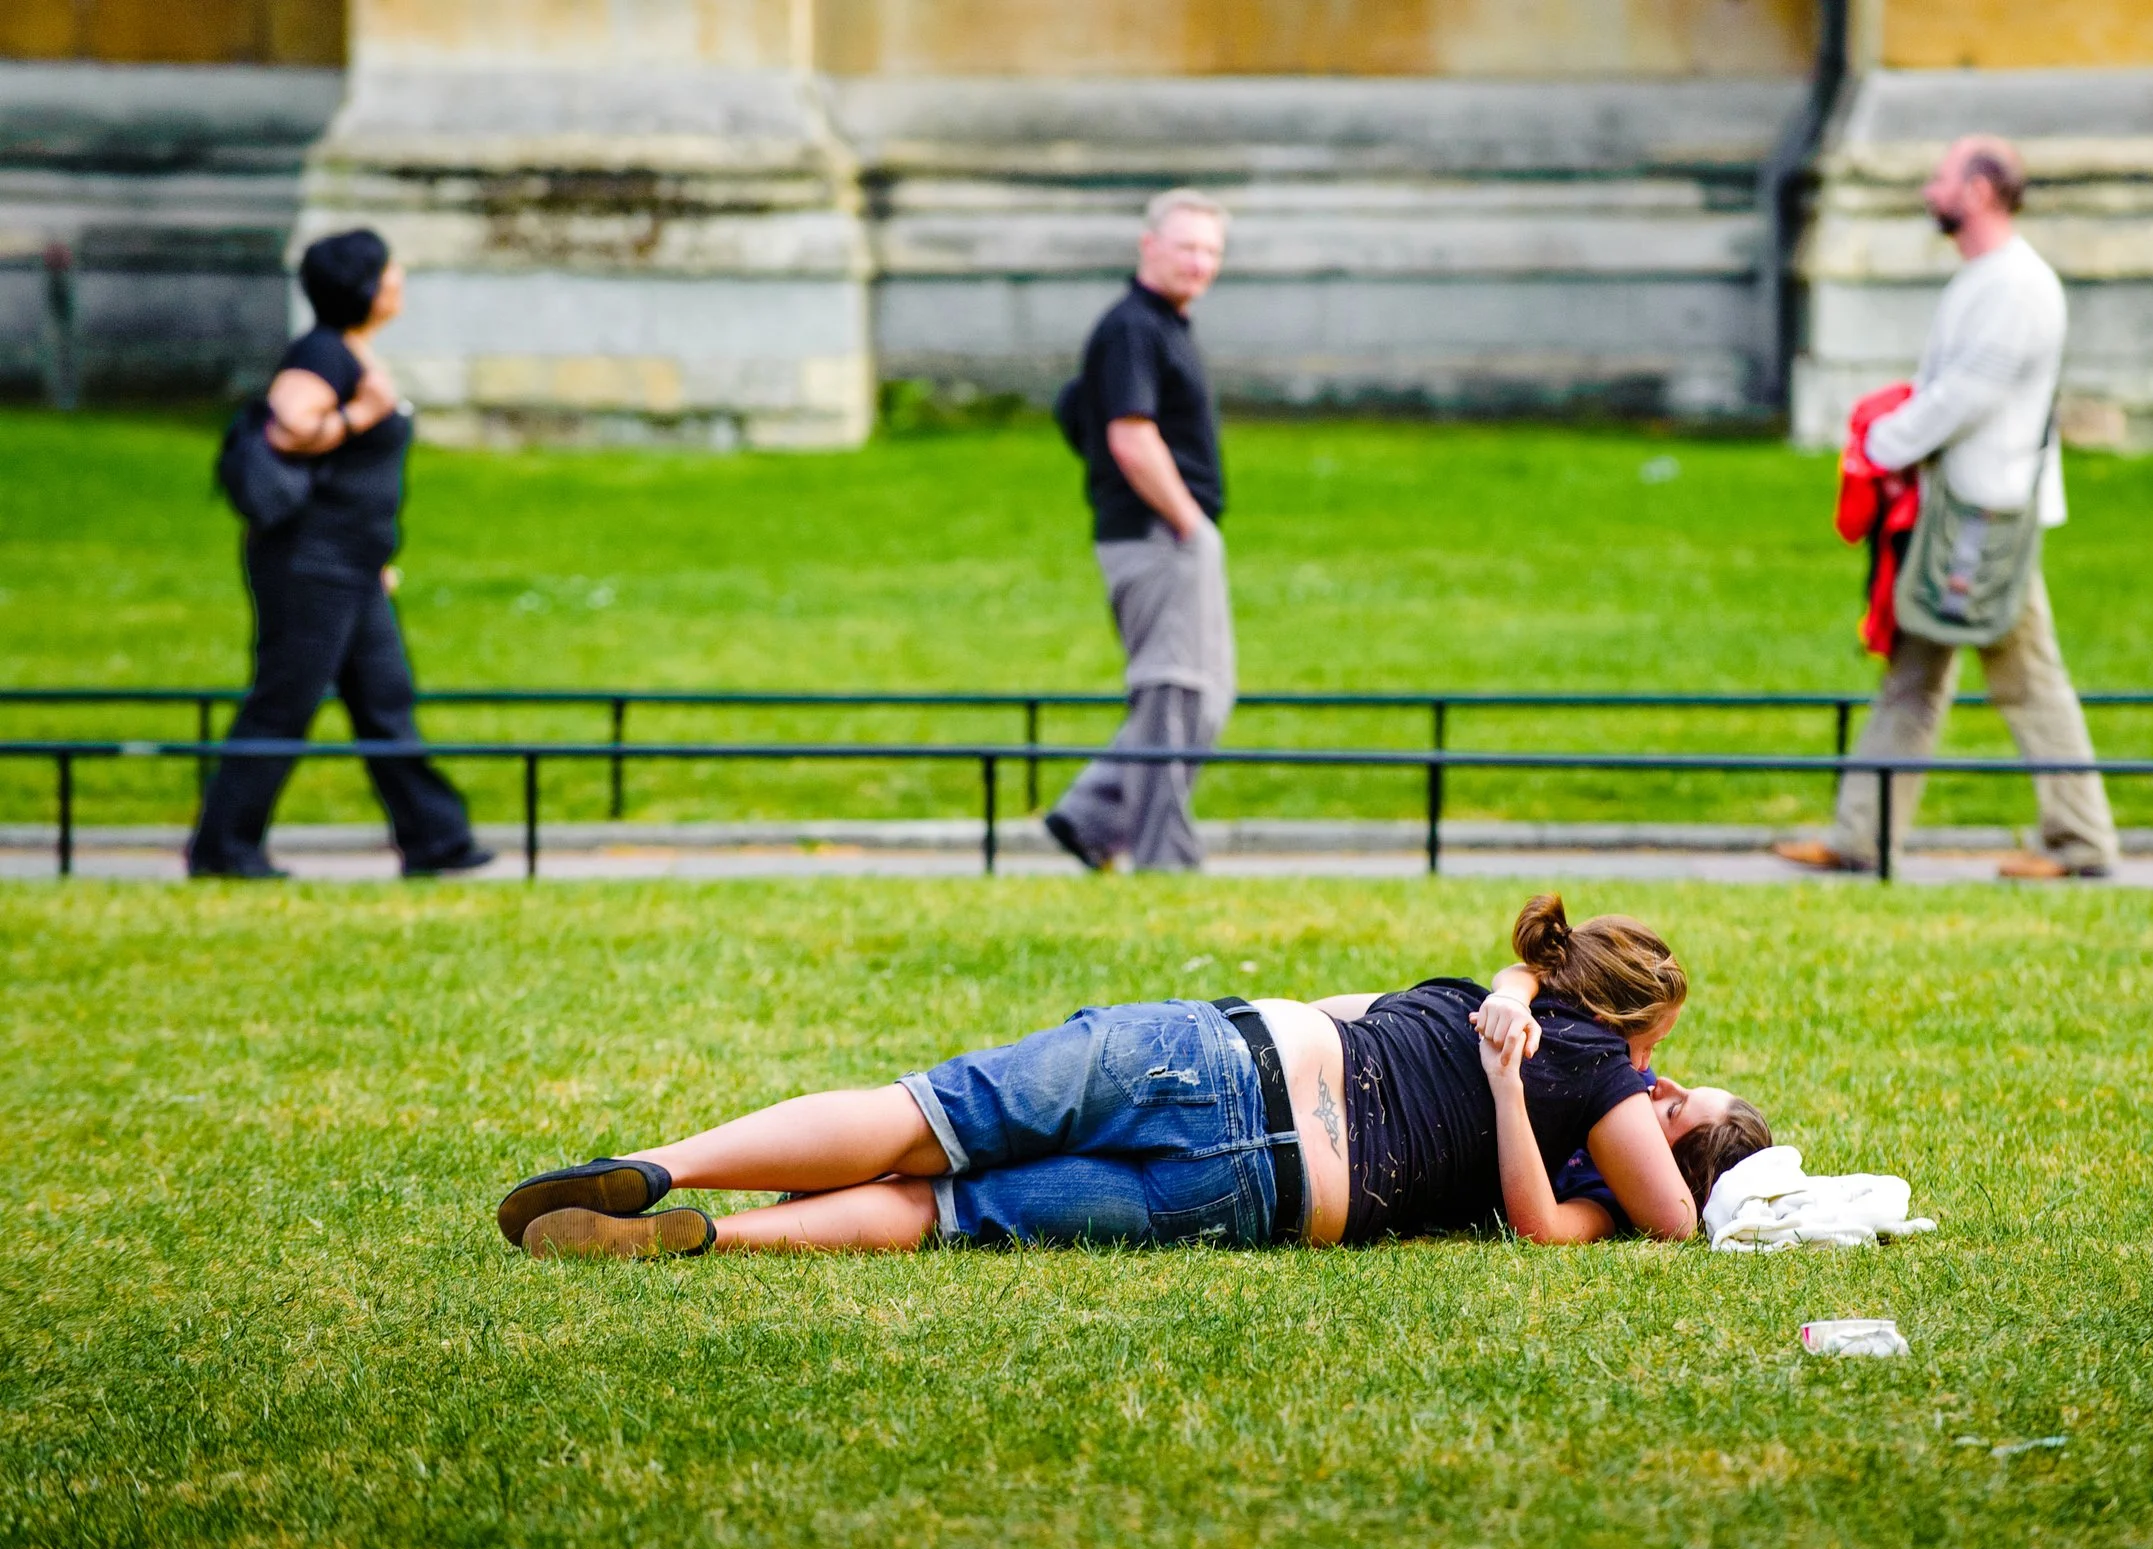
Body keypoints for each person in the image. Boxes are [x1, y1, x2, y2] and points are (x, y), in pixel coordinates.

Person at [493, 895, 1771, 1257]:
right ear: (1631, 1021)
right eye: (1671, 1072)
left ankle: (678, 1173)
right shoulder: (1579, 1063)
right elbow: (1638, 1216)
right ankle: (698, 1225)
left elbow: (1661, 1216)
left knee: (928, 1119)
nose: (1658, 1092)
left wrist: (1503, 1032)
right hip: (1266, 1183)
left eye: (1678, 1104)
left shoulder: (1548, 1043)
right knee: (954, 1206)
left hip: (1217, 1050)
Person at [1777, 135, 2119, 882]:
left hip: (1985, 519)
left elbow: (1968, 395)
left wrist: (1881, 445)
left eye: (1943, 176)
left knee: (2027, 676)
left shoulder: (2018, 286)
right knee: (1913, 673)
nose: (1931, 187)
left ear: (1982, 191)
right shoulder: (1987, 279)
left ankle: (2081, 839)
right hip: (1958, 512)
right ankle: (1862, 834)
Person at [188, 228, 490, 880]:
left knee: (385, 698)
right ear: (363, 285)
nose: (399, 277)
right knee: (283, 701)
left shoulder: (347, 349)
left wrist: (373, 552)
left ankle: (437, 838)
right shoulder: (322, 354)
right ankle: (224, 848)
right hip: (310, 564)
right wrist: (361, 416)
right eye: (389, 269)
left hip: (351, 565)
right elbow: (293, 423)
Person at [1043, 188, 1236, 873]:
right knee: (1176, 696)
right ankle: (1165, 858)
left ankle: (1092, 814)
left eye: (1211, 250)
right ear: (1148, 245)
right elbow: (1128, 434)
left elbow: (1076, 413)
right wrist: (1186, 520)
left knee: (1201, 693)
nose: (1200, 262)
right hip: (1160, 535)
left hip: (1165, 531)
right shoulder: (1133, 326)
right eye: (1186, 246)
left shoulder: (1161, 326)